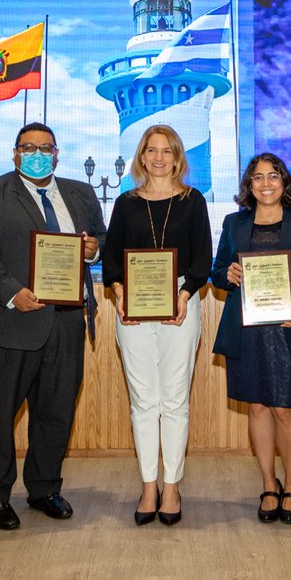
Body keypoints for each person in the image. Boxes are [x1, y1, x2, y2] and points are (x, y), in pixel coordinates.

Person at [0, 122, 106, 531]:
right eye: (29, 147)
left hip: (66, 322)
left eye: (46, 147)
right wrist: (12, 292)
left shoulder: (80, 193)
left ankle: (44, 488)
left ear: (57, 154)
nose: (37, 153)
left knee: (56, 412)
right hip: (7, 321)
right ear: (15, 153)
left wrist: (93, 250)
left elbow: (101, 239)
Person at [102, 124, 212, 526]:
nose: (159, 157)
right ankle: (148, 484)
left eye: (167, 150)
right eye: (152, 150)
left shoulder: (193, 200)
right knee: (143, 400)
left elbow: (203, 259)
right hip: (131, 304)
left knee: (175, 399)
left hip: (181, 301)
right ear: (141, 156)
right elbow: (112, 260)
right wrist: (118, 292)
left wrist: (184, 295)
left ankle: (172, 485)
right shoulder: (126, 202)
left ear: (178, 156)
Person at [210, 153, 291, 524]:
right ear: (249, 185)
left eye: (273, 176)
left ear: (284, 182)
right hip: (246, 332)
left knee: (285, 410)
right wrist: (227, 273)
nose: (265, 183)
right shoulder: (233, 223)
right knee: (258, 408)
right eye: (257, 177)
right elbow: (216, 272)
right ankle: (268, 484)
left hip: (290, 330)